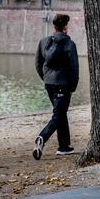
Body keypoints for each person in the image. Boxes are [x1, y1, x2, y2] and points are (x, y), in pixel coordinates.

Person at [34, 14, 80, 159]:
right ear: (65, 27)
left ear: (54, 27)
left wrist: (46, 78)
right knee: (58, 115)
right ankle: (42, 137)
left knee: (61, 113)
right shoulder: (69, 44)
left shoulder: (43, 42)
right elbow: (74, 67)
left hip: (49, 83)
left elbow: (38, 64)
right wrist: (72, 86)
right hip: (63, 84)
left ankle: (64, 146)